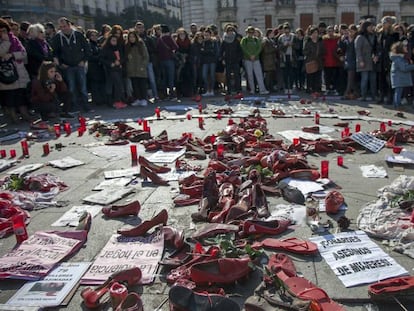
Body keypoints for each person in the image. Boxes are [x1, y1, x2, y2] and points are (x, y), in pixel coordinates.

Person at [51, 17, 91, 112]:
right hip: (67, 66)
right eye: (61, 27)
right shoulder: (57, 37)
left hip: (79, 65)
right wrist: (61, 63)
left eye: (64, 26)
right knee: (71, 87)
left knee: (83, 87)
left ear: (69, 25)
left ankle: (86, 105)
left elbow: (87, 49)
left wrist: (84, 60)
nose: (63, 28)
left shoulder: (78, 35)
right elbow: (54, 52)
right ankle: (75, 105)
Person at [0, 18, 32, 123]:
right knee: (10, 97)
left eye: (4, 30)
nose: (3, 33)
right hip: (6, 72)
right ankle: (13, 116)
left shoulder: (14, 39)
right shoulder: (5, 41)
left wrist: (12, 54)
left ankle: (25, 114)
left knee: (20, 95)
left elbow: (23, 53)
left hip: (19, 70)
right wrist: (5, 42)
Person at [240, 26, 269, 95]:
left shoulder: (256, 40)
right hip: (247, 59)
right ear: (247, 32)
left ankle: (262, 89)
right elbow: (243, 48)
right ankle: (252, 89)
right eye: (249, 32)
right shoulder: (244, 40)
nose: (251, 34)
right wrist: (249, 55)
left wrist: (254, 55)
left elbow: (259, 48)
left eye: (252, 32)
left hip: (256, 59)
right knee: (250, 75)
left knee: (259, 75)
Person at [99, 34, 126, 109]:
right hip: (110, 69)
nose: (114, 42)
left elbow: (123, 57)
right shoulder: (106, 49)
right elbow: (101, 59)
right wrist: (110, 64)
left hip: (119, 68)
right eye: (113, 40)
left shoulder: (118, 48)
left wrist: (120, 62)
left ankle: (119, 101)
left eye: (116, 41)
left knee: (119, 85)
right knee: (116, 85)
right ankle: (115, 102)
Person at [135, 21, 159, 101]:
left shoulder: (148, 38)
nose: (140, 29)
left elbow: (154, 49)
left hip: (148, 61)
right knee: (142, 80)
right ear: (136, 28)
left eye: (141, 27)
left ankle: (156, 95)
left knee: (152, 79)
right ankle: (144, 96)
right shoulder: (134, 38)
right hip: (138, 63)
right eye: (138, 27)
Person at [355, 20, 378, 101]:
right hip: (364, 60)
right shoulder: (360, 37)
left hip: (372, 61)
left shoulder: (374, 36)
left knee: (373, 79)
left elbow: (376, 48)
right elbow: (358, 50)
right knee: (364, 79)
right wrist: (360, 60)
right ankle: (363, 95)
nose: (372, 28)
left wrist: (376, 56)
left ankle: (374, 95)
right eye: (370, 26)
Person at [125, 30, 149, 107]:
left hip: (140, 68)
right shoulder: (127, 46)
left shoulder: (141, 44)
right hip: (132, 69)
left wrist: (143, 65)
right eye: (130, 37)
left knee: (142, 84)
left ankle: (144, 99)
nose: (131, 39)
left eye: (133, 37)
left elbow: (146, 56)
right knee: (135, 85)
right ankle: (138, 99)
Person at [389, 41, 414, 109]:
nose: (406, 48)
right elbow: (404, 68)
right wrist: (412, 66)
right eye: (405, 47)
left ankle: (397, 104)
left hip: (399, 77)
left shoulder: (400, 58)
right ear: (401, 49)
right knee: (398, 91)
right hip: (398, 78)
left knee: (398, 91)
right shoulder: (398, 58)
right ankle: (397, 105)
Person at [156, 24, 178, 100]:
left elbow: (157, 49)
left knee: (164, 78)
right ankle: (172, 95)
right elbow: (175, 47)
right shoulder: (169, 38)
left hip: (161, 60)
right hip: (169, 60)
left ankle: (165, 95)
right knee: (171, 78)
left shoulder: (159, 39)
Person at [220, 24, 243, 95]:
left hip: (235, 60)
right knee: (228, 76)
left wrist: (239, 58)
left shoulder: (236, 40)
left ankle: (238, 89)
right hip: (227, 60)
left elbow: (240, 50)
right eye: (228, 31)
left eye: (231, 30)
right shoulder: (224, 40)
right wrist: (222, 59)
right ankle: (229, 90)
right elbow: (221, 50)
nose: (230, 32)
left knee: (237, 75)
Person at [85, 29, 105, 106]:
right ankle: (97, 100)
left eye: (96, 35)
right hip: (93, 67)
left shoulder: (98, 44)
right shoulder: (89, 44)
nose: (94, 37)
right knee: (95, 85)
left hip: (99, 67)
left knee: (100, 84)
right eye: (92, 35)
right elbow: (90, 56)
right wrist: (99, 57)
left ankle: (101, 99)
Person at [303, 26, 325, 94]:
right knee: (310, 76)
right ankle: (309, 88)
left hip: (318, 61)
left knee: (318, 76)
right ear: (311, 34)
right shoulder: (308, 42)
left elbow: (324, 51)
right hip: (310, 61)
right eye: (313, 33)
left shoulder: (320, 42)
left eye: (316, 33)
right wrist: (310, 52)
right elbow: (304, 52)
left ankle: (317, 89)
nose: (315, 35)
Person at [200, 28, 219, 96]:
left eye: (207, 35)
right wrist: (208, 52)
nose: (206, 36)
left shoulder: (214, 42)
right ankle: (207, 90)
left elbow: (216, 52)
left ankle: (212, 90)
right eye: (205, 35)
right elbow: (201, 52)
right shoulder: (203, 42)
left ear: (210, 35)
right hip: (205, 61)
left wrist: (207, 52)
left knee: (212, 76)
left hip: (212, 61)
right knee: (204, 76)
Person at [261, 28, 278, 93]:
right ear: (269, 34)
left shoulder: (271, 40)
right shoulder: (265, 41)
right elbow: (265, 50)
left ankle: (271, 87)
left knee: (271, 74)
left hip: (271, 60)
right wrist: (274, 49)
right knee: (268, 74)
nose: (273, 34)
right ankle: (267, 87)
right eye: (272, 33)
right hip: (267, 60)